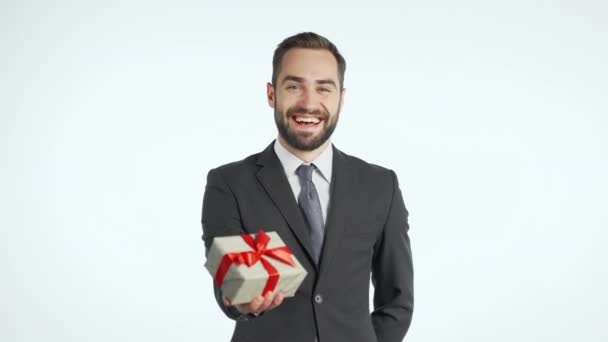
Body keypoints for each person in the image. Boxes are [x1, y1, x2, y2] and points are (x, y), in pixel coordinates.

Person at [201, 32, 413, 342]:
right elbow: (228, 284)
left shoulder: (380, 185)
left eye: (324, 88)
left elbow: (397, 299)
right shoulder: (229, 183)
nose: (309, 103)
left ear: (341, 96)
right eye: (294, 86)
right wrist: (240, 299)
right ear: (272, 94)